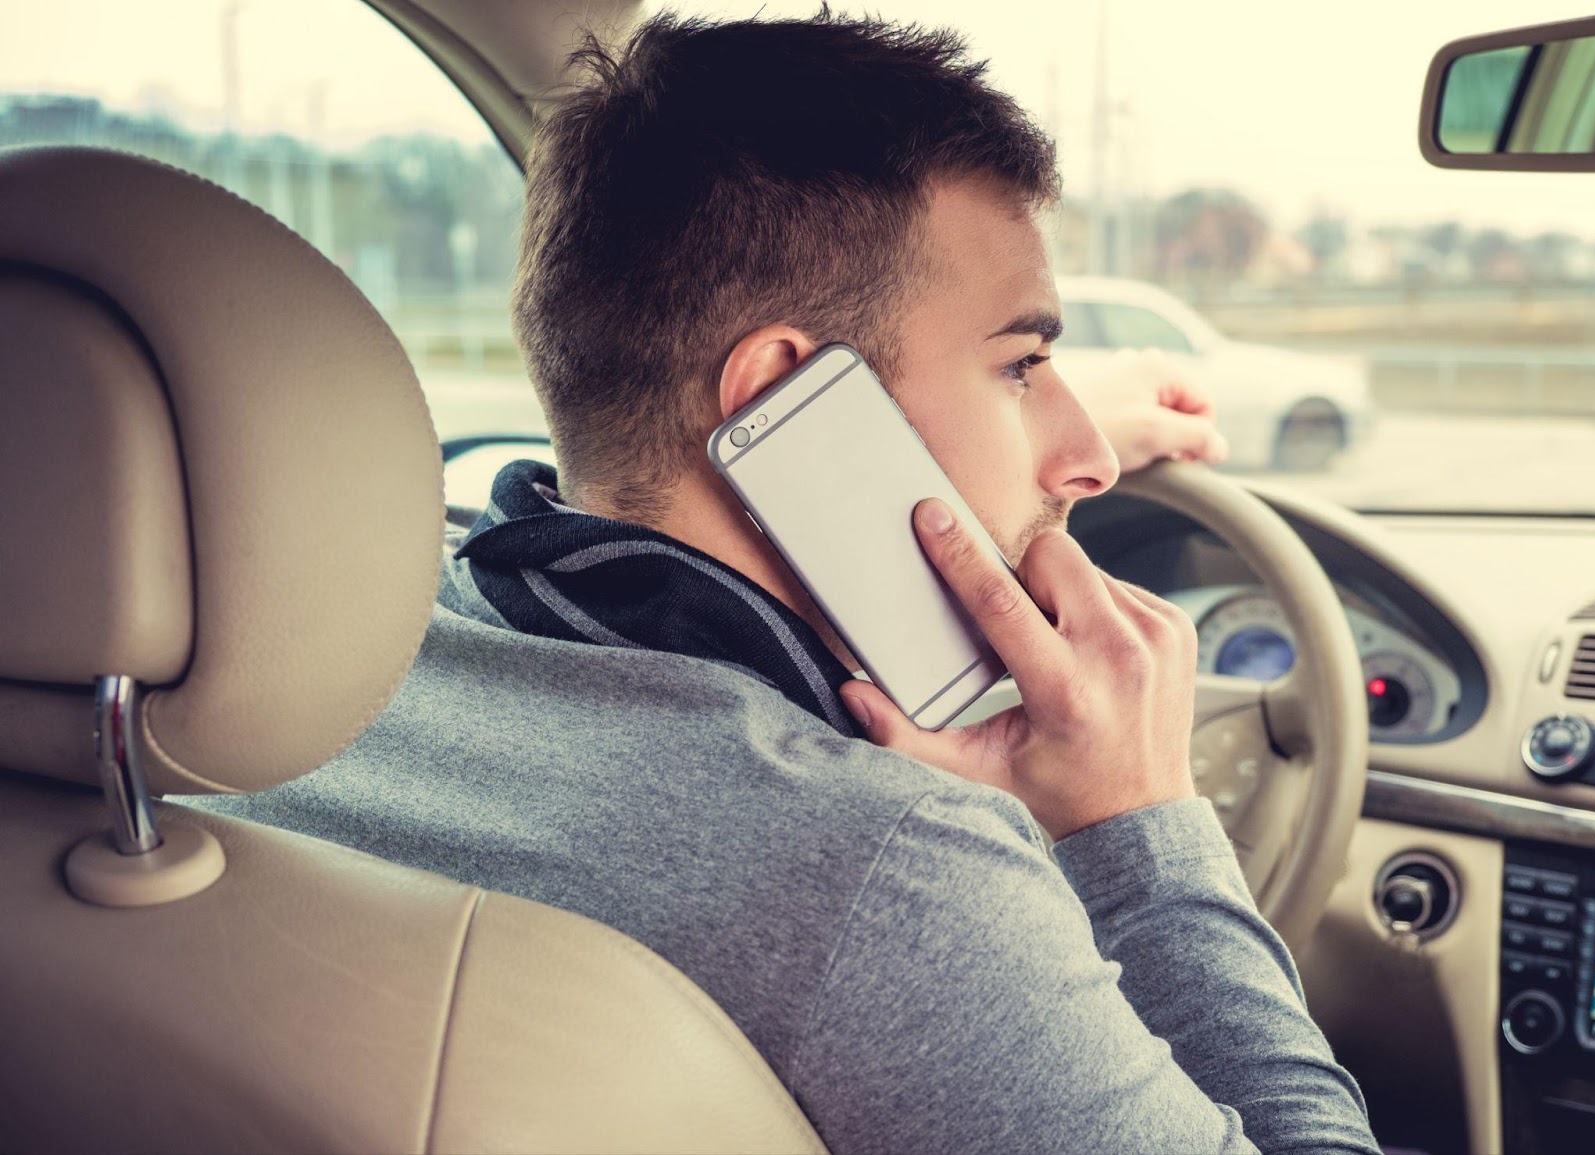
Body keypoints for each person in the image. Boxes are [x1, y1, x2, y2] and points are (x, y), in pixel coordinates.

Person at [192, 11, 1378, 1153]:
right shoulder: (889, 873)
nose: (1094, 462)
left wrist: (1006, 409)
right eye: (1021, 365)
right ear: (784, 403)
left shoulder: (298, 687)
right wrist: (1138, 822)